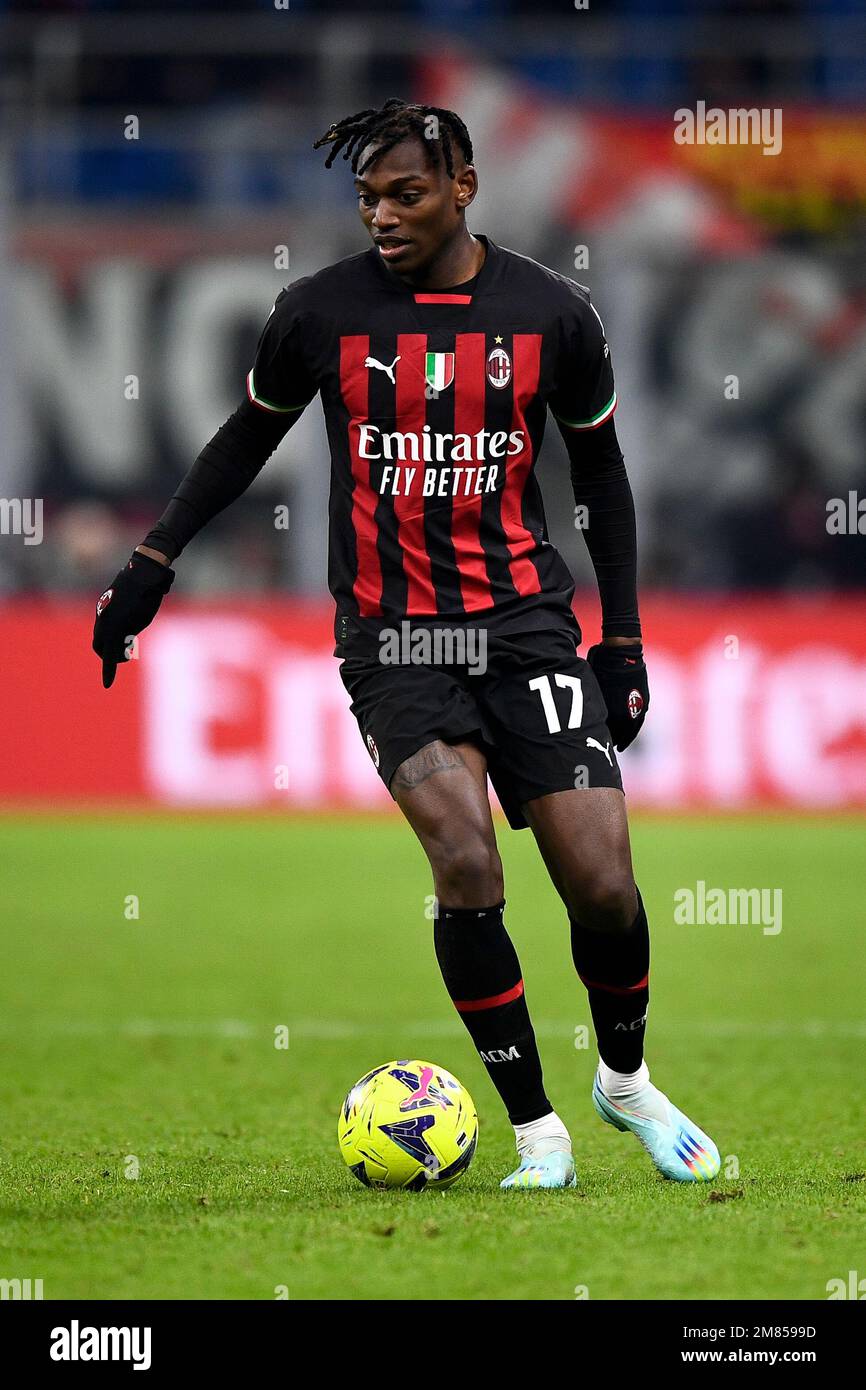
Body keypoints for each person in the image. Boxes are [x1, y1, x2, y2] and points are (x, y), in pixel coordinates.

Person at [93, 98, 720, 1189]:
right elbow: (246, 437)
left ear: (463, 186)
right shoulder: (317, 314)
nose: (381, 214)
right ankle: (537, 1134)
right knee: (464, 859)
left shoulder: (552, 314)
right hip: (394, 641)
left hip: (526, 626)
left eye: (405, 192)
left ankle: (621, 1081)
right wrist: (154, 560)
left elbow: (603, 478)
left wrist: (618, 642)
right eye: (367, 197)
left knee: (604, 885)